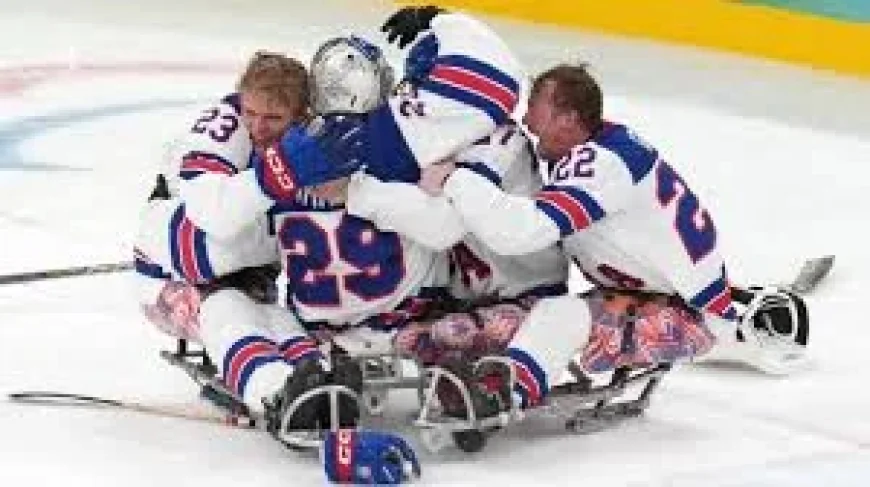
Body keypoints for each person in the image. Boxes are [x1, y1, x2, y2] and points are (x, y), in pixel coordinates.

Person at [416, 63, 809, 419]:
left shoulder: (602, 165)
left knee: (560, 315)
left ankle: (504, 394)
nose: (526, 118)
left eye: (536, 106)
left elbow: (520, 232)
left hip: (682, 310)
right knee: (546, 306)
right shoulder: (603, 148)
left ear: (567, 118)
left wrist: (455, 180)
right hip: (669, 292)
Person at [133, 45, 420, 484]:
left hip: (249, 269)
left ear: (301, 112)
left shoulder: (312, 134)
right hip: (176, 261)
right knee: (227, 309)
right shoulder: (224, 128)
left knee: (278, 317)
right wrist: (278, 175)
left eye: (273, 119)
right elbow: (210, 216)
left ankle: (314, 381)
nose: (257, 128)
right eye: (250, 112)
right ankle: (275, 395)